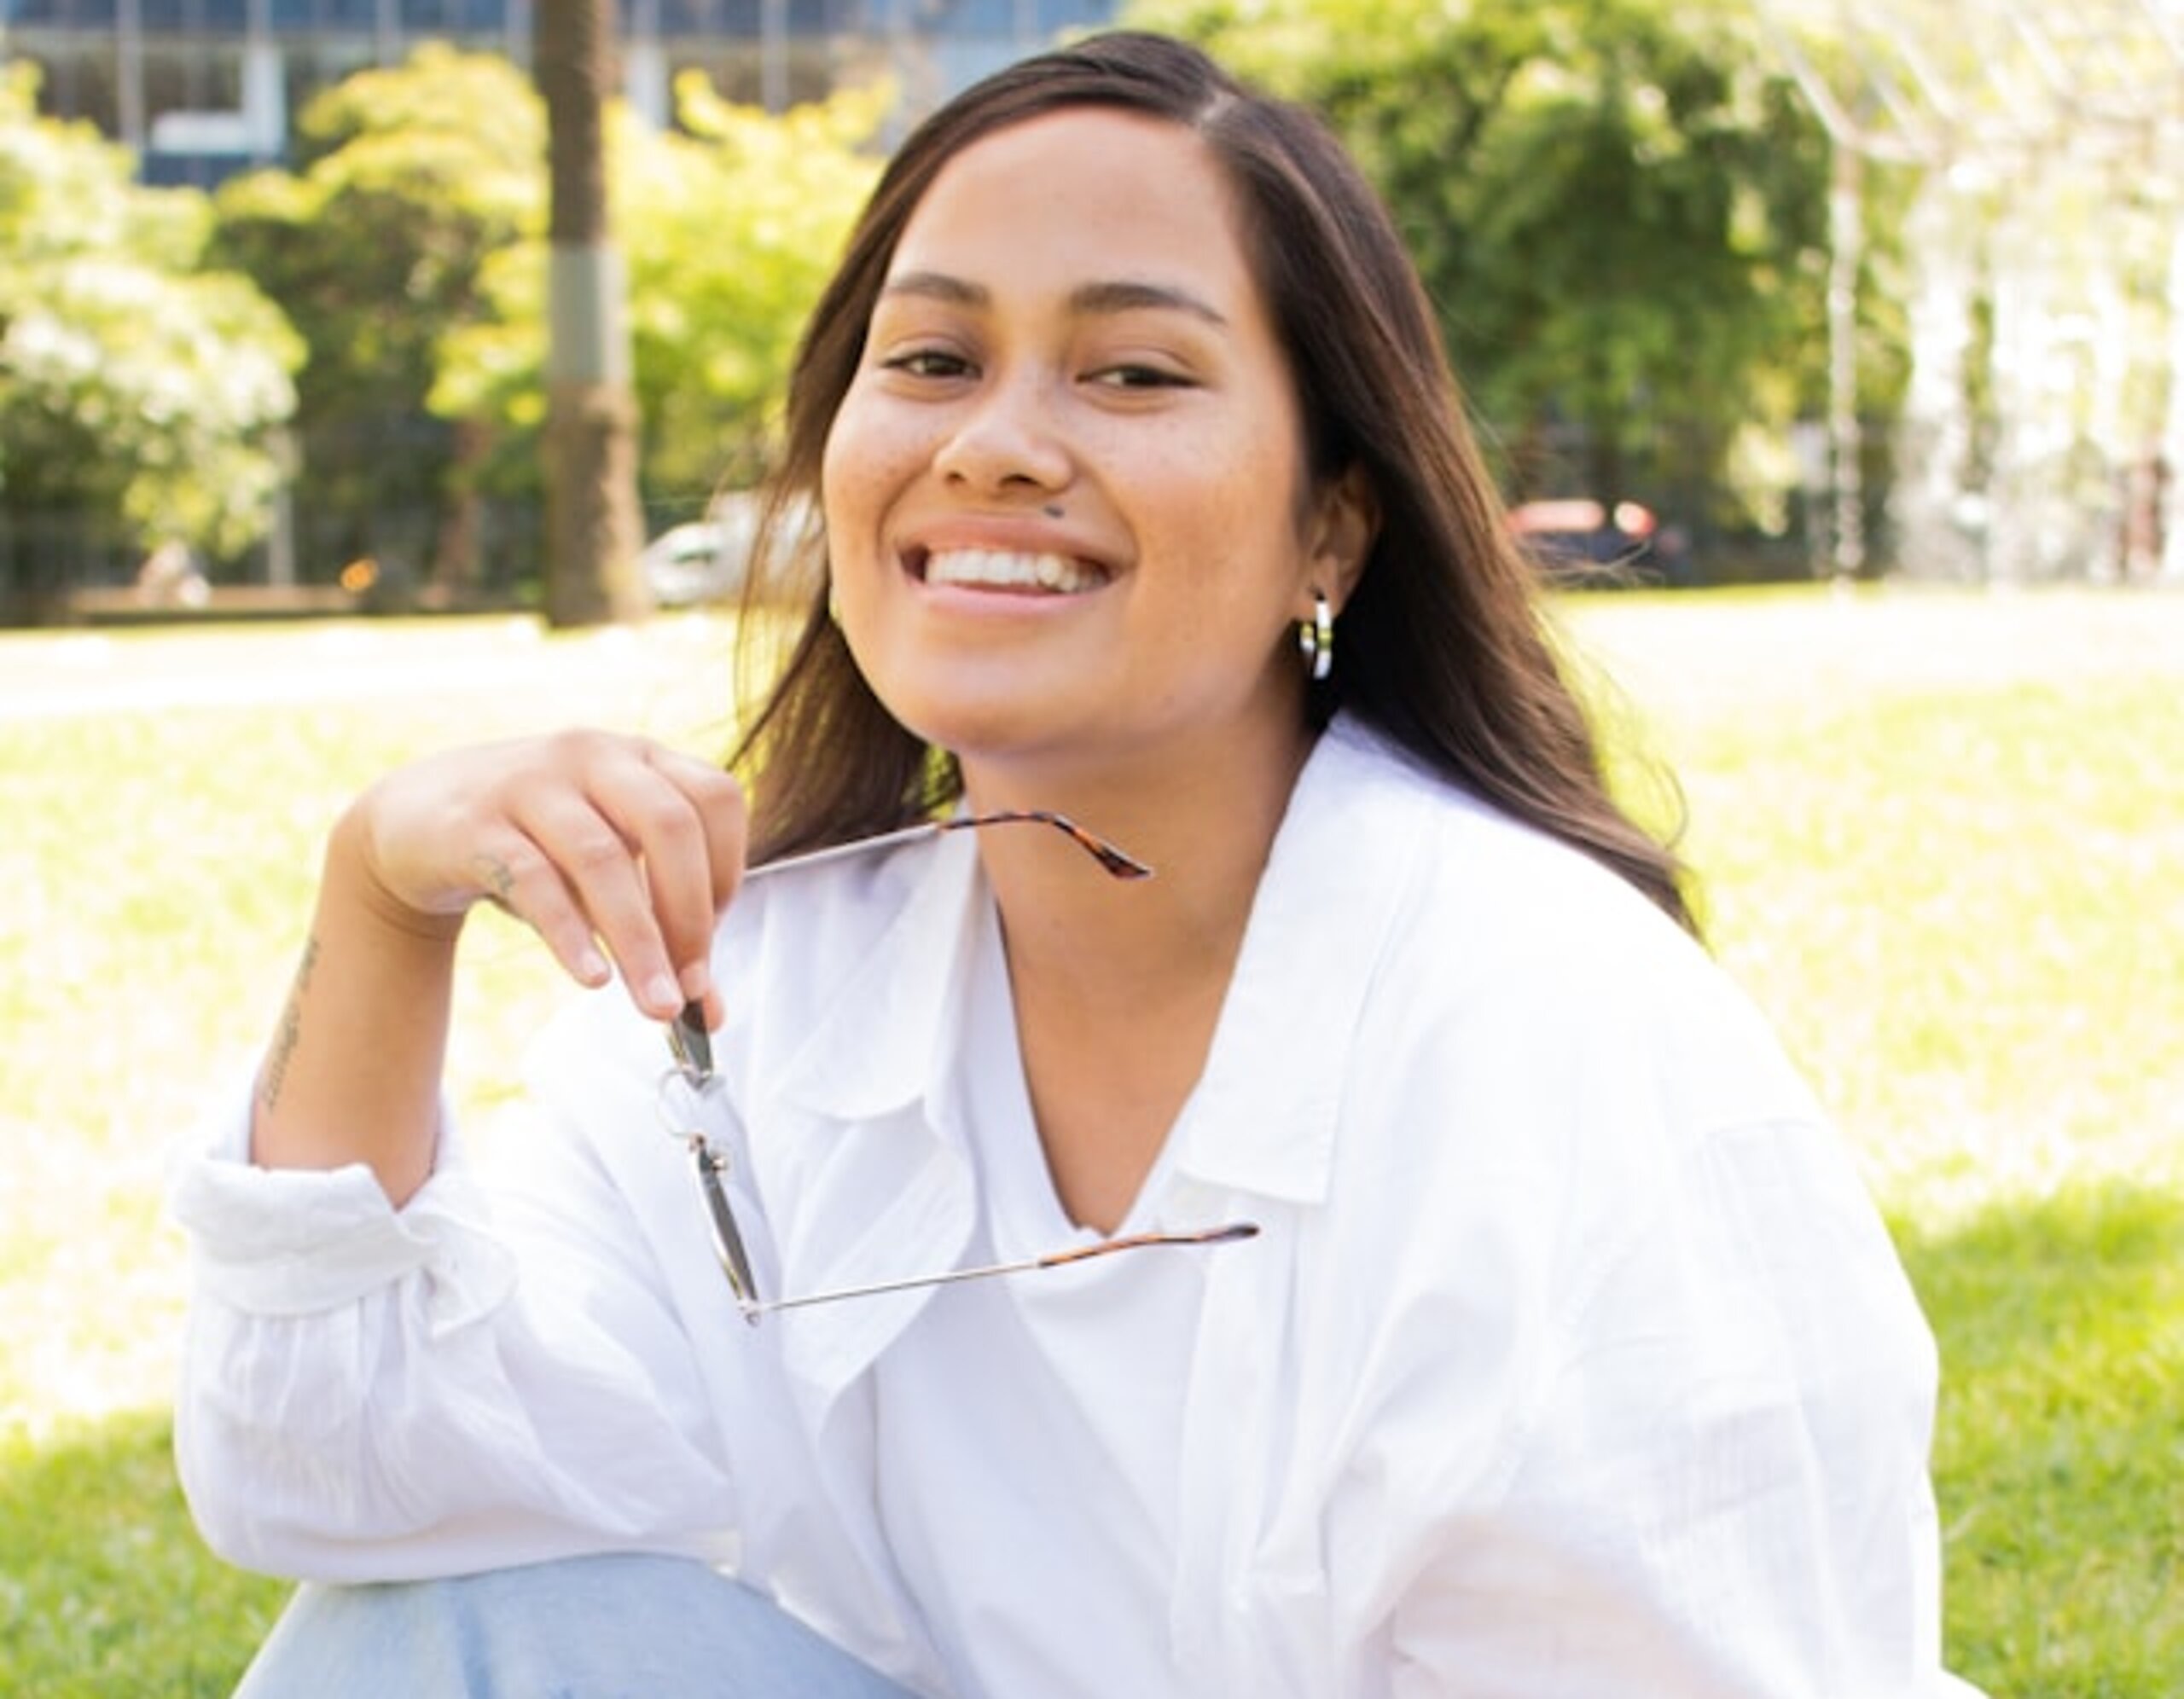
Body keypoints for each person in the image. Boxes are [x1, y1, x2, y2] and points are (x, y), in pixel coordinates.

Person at [171, 30, 1982, 1698]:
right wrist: (383, 899)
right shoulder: (784, 984)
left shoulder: (1550, 1036)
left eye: (1131, 371)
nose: (994, 445)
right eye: (933, 360)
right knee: (452, 1641)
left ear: (1330, 524)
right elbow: (340, 1488)